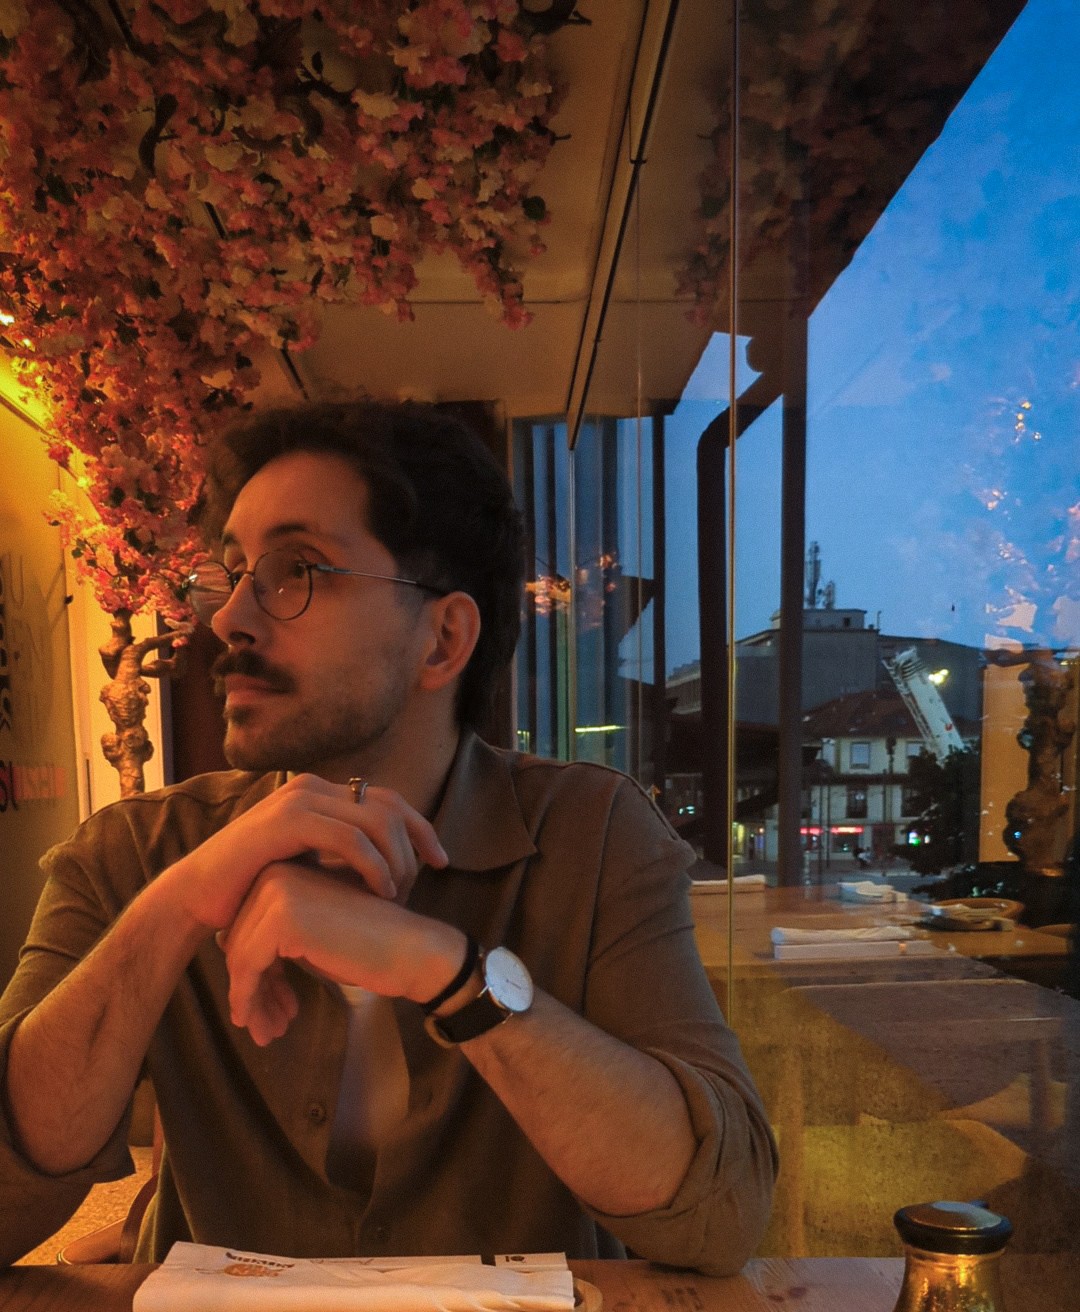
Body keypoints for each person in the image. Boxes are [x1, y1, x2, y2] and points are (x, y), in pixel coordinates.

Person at [0, 401, 776, 1272]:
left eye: (296, 570)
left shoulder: (590, 838)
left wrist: (448, 972)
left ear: (441, 639)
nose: (229, 621)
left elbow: (723, 1213)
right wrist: (179, 903)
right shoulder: (134, 853)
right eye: (230, 575)